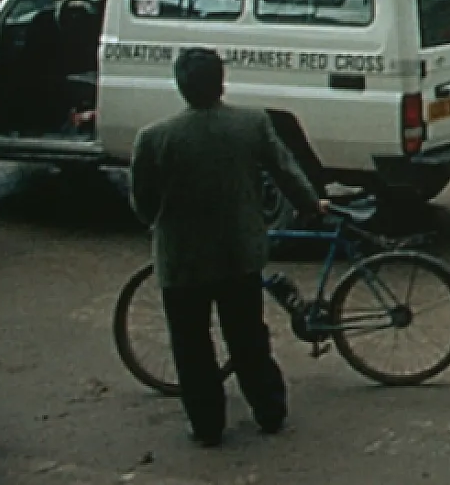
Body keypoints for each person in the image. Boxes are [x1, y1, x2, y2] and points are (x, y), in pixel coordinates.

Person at [129, 47, 328, 447]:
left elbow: (143, 204)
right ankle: (269, 410)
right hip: (239, 253)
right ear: (221, 82)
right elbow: (286, 171)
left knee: (191, 345)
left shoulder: (154, 138)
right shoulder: (251, 124)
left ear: (181, 87)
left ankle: (207, 425)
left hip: (182, 259)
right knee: (248, 336)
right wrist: (311, 205)